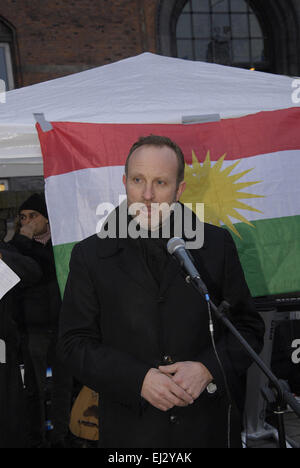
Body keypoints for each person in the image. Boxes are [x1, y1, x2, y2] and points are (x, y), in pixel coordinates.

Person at [58, 135, 265, 448]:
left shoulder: (215, 246)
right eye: (138, 180)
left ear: (180, 189)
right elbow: (73, 344)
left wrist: (209, 368)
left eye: (161, 182)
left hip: (208, 428)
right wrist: (138, 379)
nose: (148, 194)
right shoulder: (89, 255)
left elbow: (247, 329)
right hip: (132, 433)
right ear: (124, 181)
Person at [11, 193, 73, 448]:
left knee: (63, 388)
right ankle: (36, 438)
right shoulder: (15, 247)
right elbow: (23, 273)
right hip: (33, 330)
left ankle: (61, 436)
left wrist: (26, 242)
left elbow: (48, 268)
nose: (27, 222)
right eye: (23, 217)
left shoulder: (61, 244)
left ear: (47, 219)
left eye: (33, 216)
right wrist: (23, 240)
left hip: (62, 329)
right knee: (34, 389)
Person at [0, 242, 42, 448]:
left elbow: (33, 272)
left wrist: (1, 257)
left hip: (2, 349)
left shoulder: (5, 253)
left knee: (8, 412)